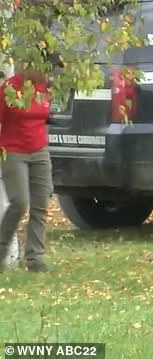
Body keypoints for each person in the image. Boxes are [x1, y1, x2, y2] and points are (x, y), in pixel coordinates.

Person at [0, 62, 53, 273]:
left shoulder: (45, 88)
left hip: (40, 150)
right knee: (20, 202)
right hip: (13, 151)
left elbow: (46, 118)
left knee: (41, 202)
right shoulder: (10, 88)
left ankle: (35, 258)